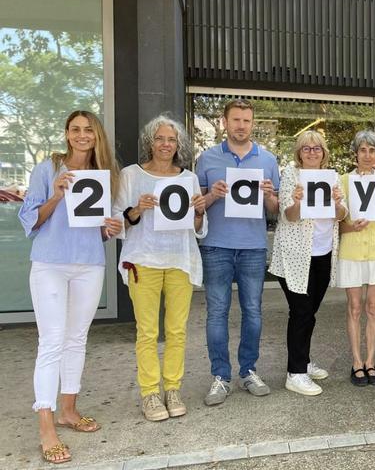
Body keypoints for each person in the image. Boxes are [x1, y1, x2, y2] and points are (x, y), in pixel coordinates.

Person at [19, 111, 122, 464]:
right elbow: (30, 218)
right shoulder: (49, 168)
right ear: (66, 133)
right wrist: (56, 195)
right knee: (51, 341)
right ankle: (46, 425)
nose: (82, 135)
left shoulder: (104, 174)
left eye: (88, 130)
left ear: (96, 136)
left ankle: (68, 410)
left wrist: (109, 228)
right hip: (50, 262)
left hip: (89, 263)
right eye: (75, 129)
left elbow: (97, 227)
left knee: (77, 338)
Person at [114, 116, 207, 421]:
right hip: (144, 259)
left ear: (178, 144)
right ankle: (150, 393)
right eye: (160, 139)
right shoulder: (131, 175)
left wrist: (199, 212)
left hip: (180, 259)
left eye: (171, 139)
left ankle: (173, 389)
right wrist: (138, 208)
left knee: (177, 330)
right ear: (150, 142)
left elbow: (197, 227)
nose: (166, 145)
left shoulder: (188, 178)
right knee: (147, 331)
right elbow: (118, 219)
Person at [195, 99, 280, 405]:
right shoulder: (206, 159)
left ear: (252, 124)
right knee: (217, 313)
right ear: (224, 122)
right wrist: (211, 195)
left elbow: (275, 210)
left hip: (253, 247)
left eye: (246, 120)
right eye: (236, 120)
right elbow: (196, 207)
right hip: (216, 245)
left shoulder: (267, 159)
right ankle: (220, 375)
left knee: (253, 312)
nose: (241, 125)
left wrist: (271, 196)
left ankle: (248, 370)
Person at [269, 130, 347, 396]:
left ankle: (302, 360)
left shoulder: (332, 177)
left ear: (324, 153)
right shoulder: (291, 175)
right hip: (294, 257)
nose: (312, 152)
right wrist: (298, 203)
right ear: (299, 153)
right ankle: (296, 373)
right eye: (306, 148)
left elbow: (341, 215)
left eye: (317, 148)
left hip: (323, 253)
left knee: (309, 313)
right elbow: (288, 216)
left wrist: (338, 203)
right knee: (301, 312)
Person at [338, 130, 375, 386]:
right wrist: (351, 226)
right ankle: (356, 361)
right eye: (363, 150)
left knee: (373, 307)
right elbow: (335, 222)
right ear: (355, 153)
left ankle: (371, 361)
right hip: (350, 249)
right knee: (354, 307)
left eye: (372, 150)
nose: (367, 155)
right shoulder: (341, 182)